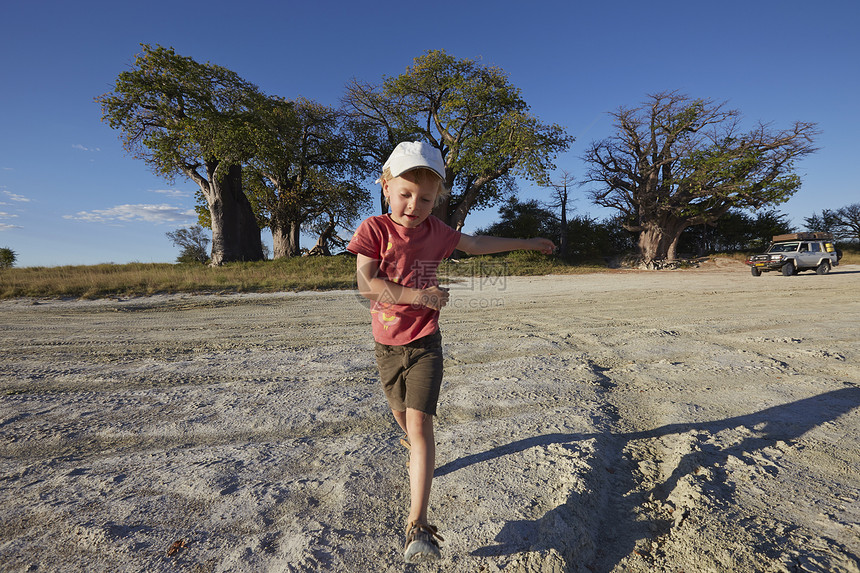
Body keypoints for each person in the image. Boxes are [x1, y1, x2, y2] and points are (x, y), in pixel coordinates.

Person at [347, 141, 555, 563]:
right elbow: (367, 285)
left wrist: (528, 242)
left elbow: (475, 245)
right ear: (386, 187)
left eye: (426, 198)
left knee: (420, 426)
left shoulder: (437, 233)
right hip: (386, 346)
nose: (414, 205)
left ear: (437, 199)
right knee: (405, 424)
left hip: (426, 343)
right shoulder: (375, 229)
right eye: (405, 194)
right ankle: (416, 451)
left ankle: (418, 525)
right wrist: (419, 295)